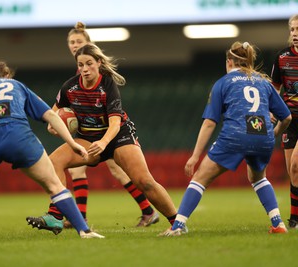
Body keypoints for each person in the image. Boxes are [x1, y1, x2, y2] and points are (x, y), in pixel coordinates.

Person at [26, 43, 177, 235]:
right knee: (54, 161)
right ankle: (56, 216)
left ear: (98, 62)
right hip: (88, 138)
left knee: (145, 182)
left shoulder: (107, 85)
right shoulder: (69, 87)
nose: (85, 69)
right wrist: (54, 127)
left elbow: (114, 123)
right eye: (81, 65)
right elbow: (53, 115)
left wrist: (104, 143)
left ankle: (177, 223)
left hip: (117, 137)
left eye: (89, 63)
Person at [0, 60, 104, 240]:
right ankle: (84, 231)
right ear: (7, 75)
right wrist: (73, 143)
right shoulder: (17, 85)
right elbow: (50, 115)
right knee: (54, 185)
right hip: (18, 139)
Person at [162, 41, 292, 237]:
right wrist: (272, 133)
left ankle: (178, 226)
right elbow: (287, 117)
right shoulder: (263, 82)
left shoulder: (222, 83)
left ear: (229, 61)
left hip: (235, 136)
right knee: (259, 178)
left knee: (199, 178)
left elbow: (209, 123)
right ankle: (278, 223)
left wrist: (195, 156)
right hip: (262, 135)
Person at [60, 22, 159, 228]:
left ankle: (148, 211)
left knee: (120, 171)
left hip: (109, 130)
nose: (75, 45)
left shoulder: (96, 71)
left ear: (89, 44)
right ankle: (81, 217)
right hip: (90, 130)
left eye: (79, 41)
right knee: (77, 171)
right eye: (71, 42)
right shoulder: (79, 70)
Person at [270, 14, 298, 229]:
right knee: (293, 171)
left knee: (297, 164)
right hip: (290, 121)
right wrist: (273, 110)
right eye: (292, 30)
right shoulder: (282, 57)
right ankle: (295, 217)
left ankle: (295, 220)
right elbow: (275, 88)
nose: (295, 34)